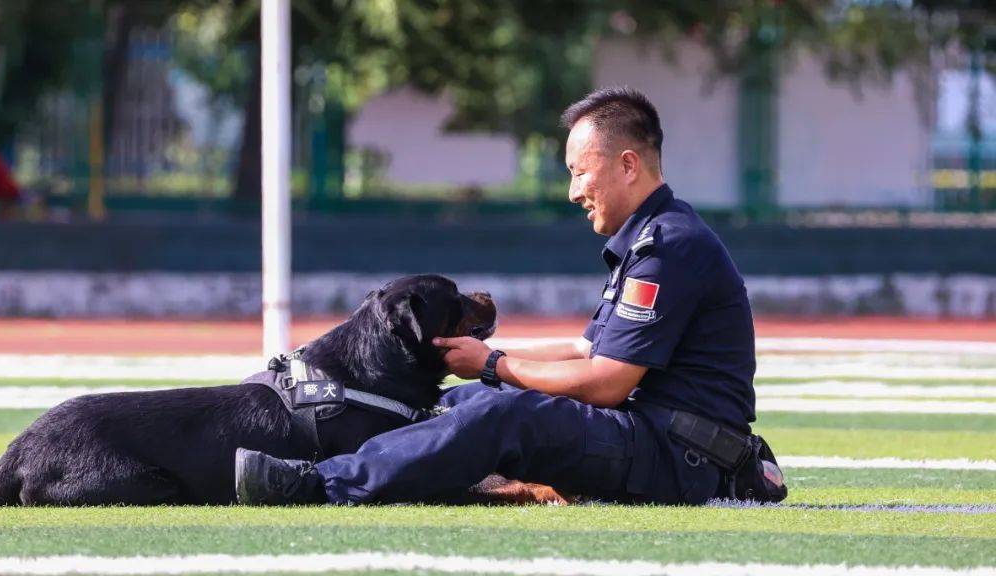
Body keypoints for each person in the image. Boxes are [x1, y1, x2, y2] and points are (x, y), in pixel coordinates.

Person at [236, 86, 778, 506]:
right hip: (664, 440)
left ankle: (316, 486)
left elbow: (608, 382)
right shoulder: (653, 239)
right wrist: (479, 360)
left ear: (628, 164)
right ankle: (335, 460)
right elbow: (586, 351)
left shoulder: (668, 247)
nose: (573, 192)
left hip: (678, 456)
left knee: (503, 414)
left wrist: (494, 364)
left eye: (578, 171)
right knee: (456, 403)